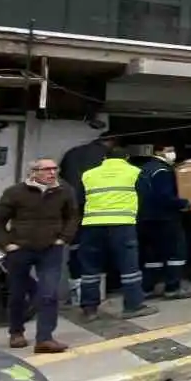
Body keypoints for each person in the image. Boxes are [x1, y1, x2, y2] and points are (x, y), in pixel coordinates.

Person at [0, 158, 78, 353]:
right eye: (46, 169)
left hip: (50, 249)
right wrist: (7, 244)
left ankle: (45, 339)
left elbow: (72, 216)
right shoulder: (15, 192)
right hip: (20, 249)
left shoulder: (64, 190)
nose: (52, 173)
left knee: (49, 293)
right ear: (34, 172)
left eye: (55, 169)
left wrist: (64, 238)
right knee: (17, 293)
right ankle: (16, 332)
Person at [77, 142, 157, 318]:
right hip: (122, 225)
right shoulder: (135, 172)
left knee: (90, 268)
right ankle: (133, 306)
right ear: (126, 158)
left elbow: (80, 199)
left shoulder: (88, 174)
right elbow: (145, 197)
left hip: (91, 226)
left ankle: (89, 308)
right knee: (129, 267)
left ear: (104, 158)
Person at [58, 131, 113, 306]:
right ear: (112, 143)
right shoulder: (105, 158)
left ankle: (76, 292)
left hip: (71, 206)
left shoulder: (73, 153)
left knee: (75, 248)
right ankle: (90, 297)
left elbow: (63, 175)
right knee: (93, 250)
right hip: (95, 207)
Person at [136, 145, 191, 299]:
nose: (172, 153)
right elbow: (165, 197)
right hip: (165, 218)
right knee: (175, 253)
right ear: (157, 152)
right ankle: (173, 288)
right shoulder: (162, 171)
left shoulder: (144, 168)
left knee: (152, 256)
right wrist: (185, 203)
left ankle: (149, 287)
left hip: (146, 218)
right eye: (168, 150)